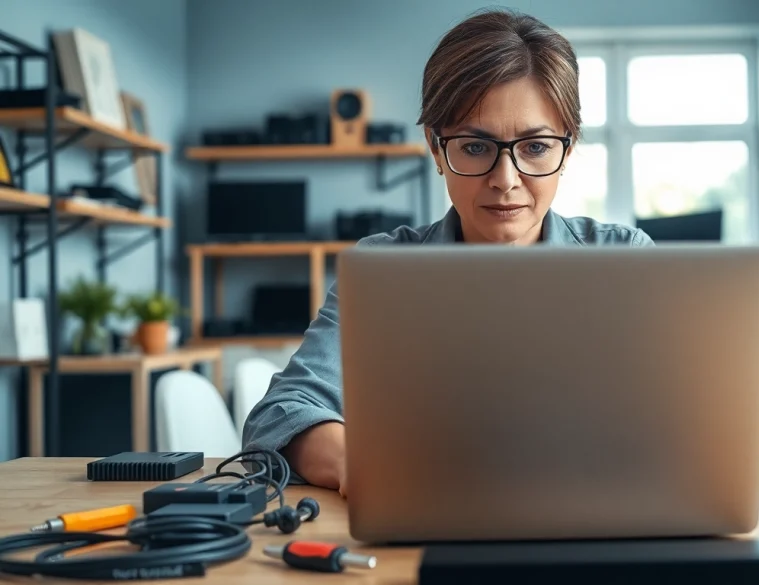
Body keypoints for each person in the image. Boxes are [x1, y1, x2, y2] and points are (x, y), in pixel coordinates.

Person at [241, 8, 654, 496]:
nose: (506, 180)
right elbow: (279, 414)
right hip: (425, 520)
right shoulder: (383, 271)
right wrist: (361, 465)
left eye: (536, 147)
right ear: (436, 150)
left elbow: (677, 416)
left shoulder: (624, 259)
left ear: (568, 148)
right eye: (476, 148)